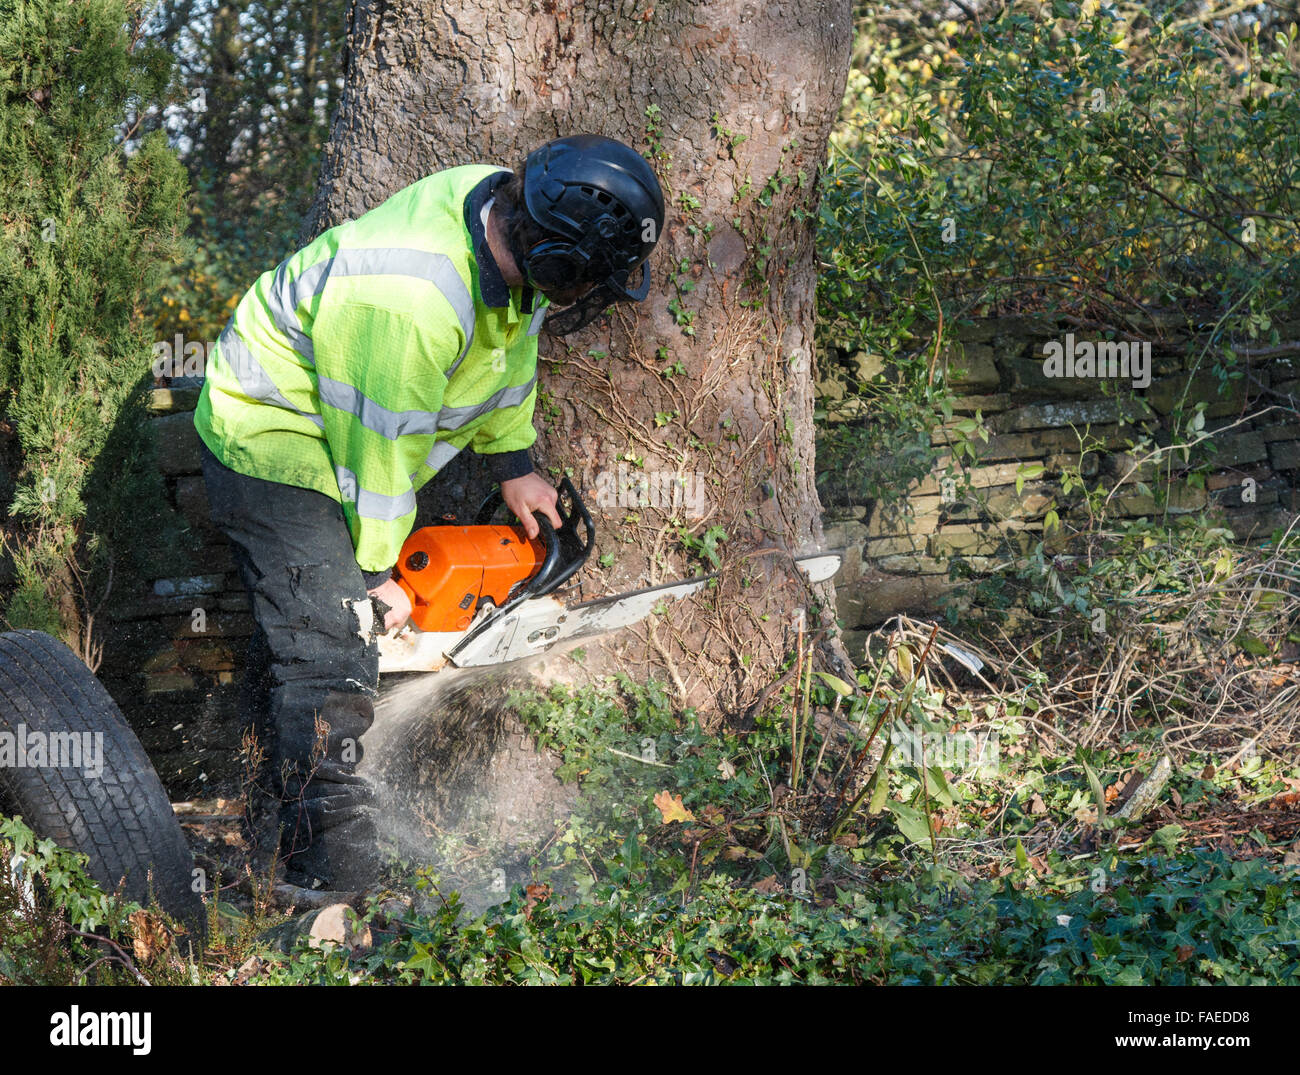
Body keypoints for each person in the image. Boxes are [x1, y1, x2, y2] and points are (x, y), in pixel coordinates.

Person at [193, 134, 665, 891]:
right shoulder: (413, 299)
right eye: (584, 282)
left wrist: (514, 465)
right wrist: (380, 578)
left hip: (352, 429)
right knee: (334, 649)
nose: (578, 299)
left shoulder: (504, 222)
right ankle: (331, 885)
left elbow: (506, 356)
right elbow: (374, 456)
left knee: (309, 629)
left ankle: (267, 829)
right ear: (555, 259)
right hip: (273, 430)